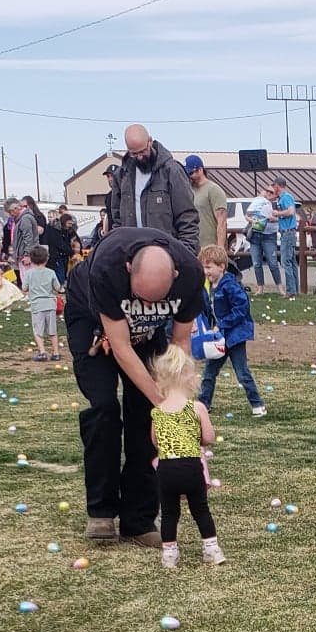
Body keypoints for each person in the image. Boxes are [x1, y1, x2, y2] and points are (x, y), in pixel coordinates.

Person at [64, 226, 206, 546]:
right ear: (128, 270)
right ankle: (101, 512)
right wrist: (161, 400)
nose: (144, 305)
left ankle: (139, 520)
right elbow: (121, 346)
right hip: (92, 320)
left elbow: (180, 343)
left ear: (175, 275)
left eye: (155, 300)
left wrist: (176, 399)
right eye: (140, 298)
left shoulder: (191, 276)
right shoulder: (106, 268)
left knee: (146, 416)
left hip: (146, 335)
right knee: (104, 408)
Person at [145, 347, 224, 568]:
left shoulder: (158, 411)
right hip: (191, 466)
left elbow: (155, 441)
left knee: (170, 513)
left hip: (167, 469)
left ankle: (169, 554)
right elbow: (208, 438)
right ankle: (211, 549)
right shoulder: (196, 408)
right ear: (189, 379)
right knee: (200, 509)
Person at [194, 244, 264, 414]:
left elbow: (241, 308)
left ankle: (257, 404)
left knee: (242, 372)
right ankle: (204, 404)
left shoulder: (230, 285)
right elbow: (206, 309)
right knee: (209, 372)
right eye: (203, 267)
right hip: (219, 337)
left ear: (221, 267)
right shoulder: (208, 288)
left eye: (208, 267)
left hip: (235, 336)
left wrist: (223, 323)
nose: (205, 271)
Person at [109, 125, 199, 250]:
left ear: (150, 141)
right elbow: (117, 220)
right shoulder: (122, 176)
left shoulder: (172, 171)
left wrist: (187, 252)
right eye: (134, 154)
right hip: (132, 255)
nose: (139, 157)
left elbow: (187, 217)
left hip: (167, 254)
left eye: (142, 151)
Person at [23, 244, 61, 359]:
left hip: (37, 305)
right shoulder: (51, 272)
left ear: (32, 259)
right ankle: (56, 353)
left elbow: (24, 288)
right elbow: (58, 287)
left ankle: (42, 352)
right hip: (50, 304)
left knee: (38, 330)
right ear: (46, 258)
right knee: (52, 330)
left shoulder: (29, 273)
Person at [184, 156, 229, 253]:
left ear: (200, 170)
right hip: (193, 245)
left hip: (209, 247)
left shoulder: (213, 189)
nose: (189, 176)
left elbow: (222, 222)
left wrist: (219, 249)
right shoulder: (189, 190)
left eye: (191, 173)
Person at [270, 180, 301, 294]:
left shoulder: (286, 197)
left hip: (287, 233)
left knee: (285, 261)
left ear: (278, 186)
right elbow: (286, 216)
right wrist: (276, 218)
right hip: (288, 232)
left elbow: (291, 212)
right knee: (292, 261)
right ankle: (295, 289)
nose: (274, 189)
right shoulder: (281, 198)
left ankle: (290, 291)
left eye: (274, 186)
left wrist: (278, 213)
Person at [247, 192, 281, 290]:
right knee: (257, 263)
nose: (269, 194)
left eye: (272, 192)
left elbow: (282, 218)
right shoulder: (257, 202)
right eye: (267, 192)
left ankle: (280, 287)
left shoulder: (278, 204)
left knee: (273, 263)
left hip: (270, 235)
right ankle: (260, 287)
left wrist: (273, 218)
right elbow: (248, 214)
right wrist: (252, 221)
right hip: (256, 234)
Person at [40, 207, 79, 272]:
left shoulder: (65, 230)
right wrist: (72, 252)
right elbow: (60, 244)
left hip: (59, 257)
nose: (70, 226)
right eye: (69, 224)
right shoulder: (54, 229)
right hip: (55, 257)